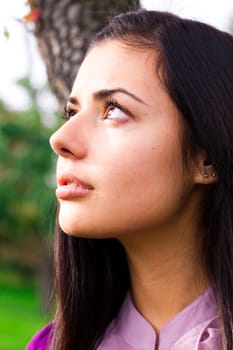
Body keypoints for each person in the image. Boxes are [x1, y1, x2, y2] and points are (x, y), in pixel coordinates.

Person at [26, 9, 233, 350]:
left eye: (114, 110)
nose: (60, 138)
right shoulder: (50, 344)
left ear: (206, 156)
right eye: (72, 112)